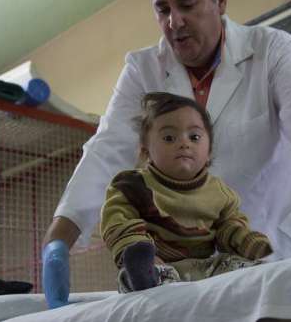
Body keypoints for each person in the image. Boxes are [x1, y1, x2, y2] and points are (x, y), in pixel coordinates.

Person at [42, 0, 291, 308]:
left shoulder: (271, 50)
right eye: (163, 9)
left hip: (276, 240)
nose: (174, 22)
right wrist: (59, 239)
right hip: (192, 264)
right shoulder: (142, 70)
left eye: (187, 4)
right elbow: (106, 150)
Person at [101, 92, 273, 292]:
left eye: (194, 137)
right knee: (142, 274)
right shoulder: (131, 185)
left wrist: (246, 242)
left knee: (239, 267)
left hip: (206, 268)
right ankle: (140, 276)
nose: (184, 143)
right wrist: (136, 248)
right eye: (168, 138)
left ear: (208, 152)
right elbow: (119, 222)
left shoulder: (220, 193)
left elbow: (229, 226)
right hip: (158, 265)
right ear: (145, 151)